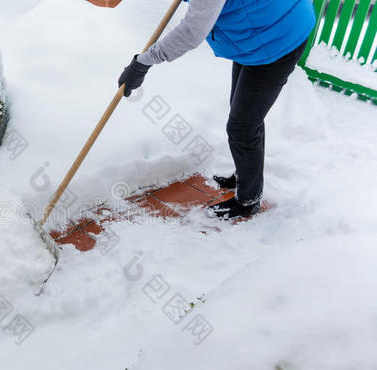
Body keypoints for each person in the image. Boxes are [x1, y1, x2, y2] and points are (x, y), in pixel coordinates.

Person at [118, 0, 316, 219]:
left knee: (242, 126)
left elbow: (192, 31)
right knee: (245, 117)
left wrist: (143, 63)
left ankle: (248, 200)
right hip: (259, 27)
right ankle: (246, 175)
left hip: (277, 37)